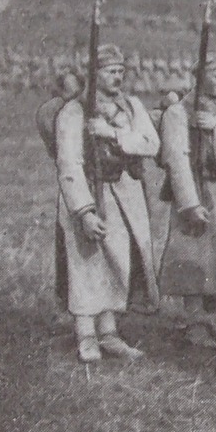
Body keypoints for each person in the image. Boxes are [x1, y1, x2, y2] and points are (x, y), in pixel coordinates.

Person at [54, 43, 160, 363]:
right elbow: (69, 163)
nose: (117, 77)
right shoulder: (74, 111)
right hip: (87, 192)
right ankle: (86, 334)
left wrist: (112, 134)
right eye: (110, 71)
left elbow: (150, 143)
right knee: (87, 261)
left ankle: (109, 331)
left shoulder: (131, 106)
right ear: (94, 74)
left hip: (123, 191)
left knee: (118, 260)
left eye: (120, 71)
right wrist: (83, 211)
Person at [157, 52, 216, 348]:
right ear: (200, 76)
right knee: (192, 255)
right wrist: (188, 203)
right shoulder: (180, 112)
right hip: (193, 189)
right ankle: (192, 320)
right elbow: (177, 158)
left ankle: (210, 317)